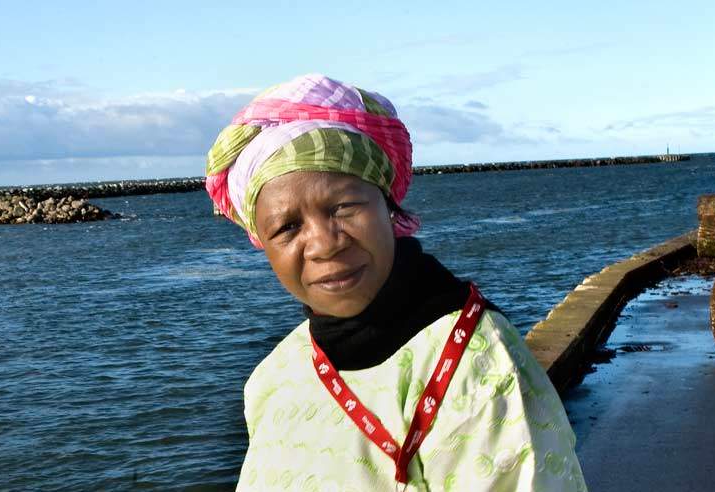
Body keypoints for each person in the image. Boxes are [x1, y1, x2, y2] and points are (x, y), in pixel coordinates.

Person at [205, 74, 586, 491]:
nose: (324, 244)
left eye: (344, 206)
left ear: (388, 207)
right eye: (287, 227)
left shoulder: (477, 361)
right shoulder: (273, 377)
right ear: (263, 243)